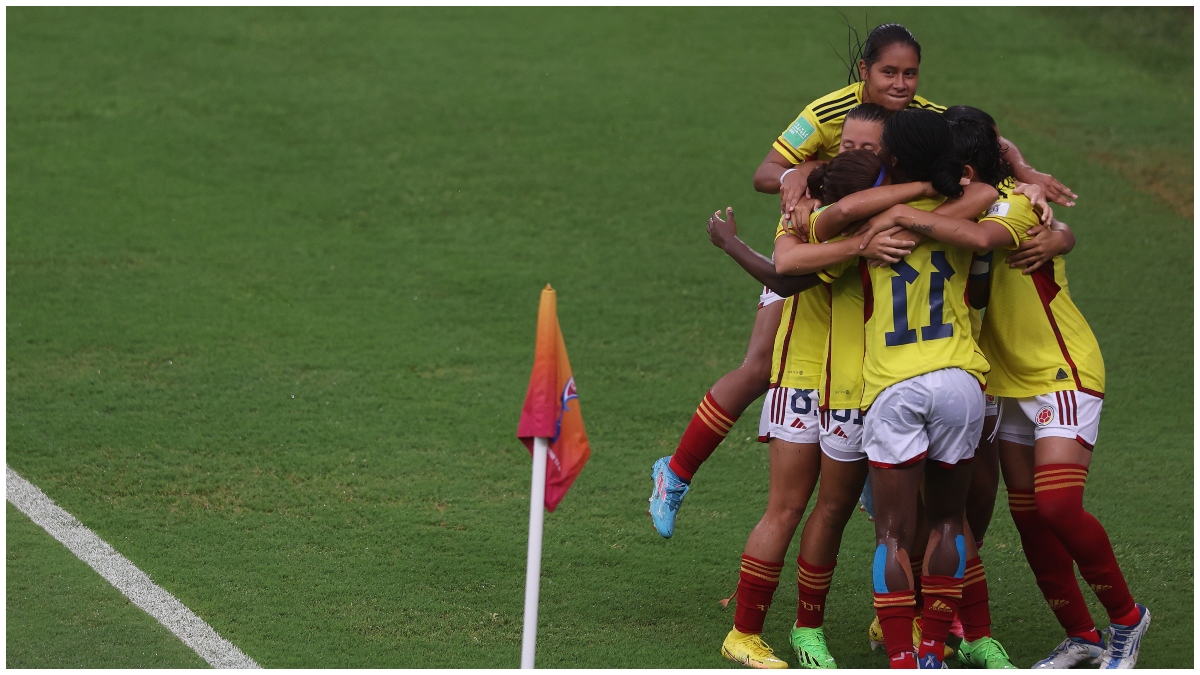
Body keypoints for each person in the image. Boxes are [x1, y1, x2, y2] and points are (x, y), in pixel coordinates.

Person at [863, 110, 1150, 669]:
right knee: (1029, 517)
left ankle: (1127, 620)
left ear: (966, 168)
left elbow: (977, 236)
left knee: (1058, 505)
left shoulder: (1017, 204)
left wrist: (902, 213)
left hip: (1057, 370)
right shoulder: (963, 198)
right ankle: (1082, 637)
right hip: (999, 378)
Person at [716, 148, 940, 669]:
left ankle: (815, 628)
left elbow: (785, 269)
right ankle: (763, 631)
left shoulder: (820, 221)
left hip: (852, 386)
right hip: (827, 384)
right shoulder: (841, 231)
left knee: (842, 510)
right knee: (811, 508)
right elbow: (785, 275)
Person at [648, 104, 894, 539]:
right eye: (888, 71)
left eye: (908, 73)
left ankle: (874, 481)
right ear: (865, 71)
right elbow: (768, 176)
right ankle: (676, 473)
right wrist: (794, 177)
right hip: (810, 264)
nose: (899, 83)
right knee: (759, 368)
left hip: (846, 280)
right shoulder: (830, 112)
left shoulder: (915, 124)